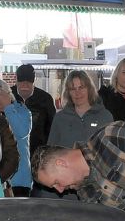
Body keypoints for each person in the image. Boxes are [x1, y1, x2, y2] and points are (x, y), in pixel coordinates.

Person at [40, 70, 114, 200]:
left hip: (97, 188)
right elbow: (50, 154)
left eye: (81, 87)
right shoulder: (60, 118)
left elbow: (111, 154)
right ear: (68, 92)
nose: (77, 92)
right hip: (67, 191)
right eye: (72, 89)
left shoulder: (105, 116)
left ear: (89, 89)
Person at [0, 79, 32, 196]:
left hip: (20, 178)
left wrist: (8, 108)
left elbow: (22, 133)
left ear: (9, 95)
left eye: (3, 96)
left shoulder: (22, 110)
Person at [13, 63, 56, 152]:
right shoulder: (6, 96)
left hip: (37, 153)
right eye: (21, 80)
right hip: (12, 153)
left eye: (29, 81)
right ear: (16, 79)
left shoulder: (45, 99)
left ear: (34, 80)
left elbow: (53, 127)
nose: (25, 84)